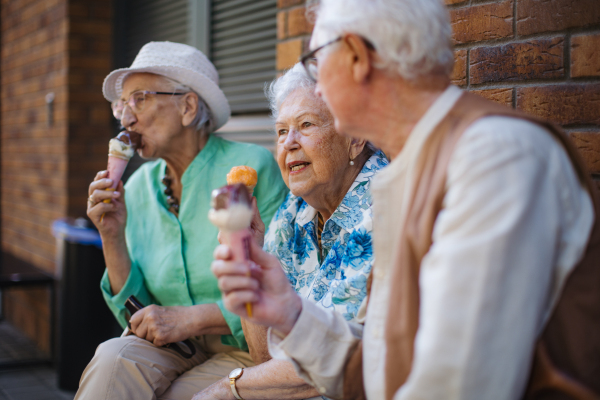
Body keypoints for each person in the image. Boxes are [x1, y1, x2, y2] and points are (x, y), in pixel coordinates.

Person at [211, 0, 600, 399]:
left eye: (315, 63)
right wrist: (291, 314)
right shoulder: (410, 169)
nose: (316, 86)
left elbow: (453, 387)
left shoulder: (495, 156)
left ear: (357, 57)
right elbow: (382, 369)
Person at [78, 41, 288, 400]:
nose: (125, 118)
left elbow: (283, 284)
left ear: (188, 107)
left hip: (243, 348)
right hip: (170, 348)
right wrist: (111, 236)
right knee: (111, 358)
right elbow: (137, 315)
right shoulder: (139, 186)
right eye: (122, 104)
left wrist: (192, 318)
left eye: (139, 99)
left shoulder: (247, 170)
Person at [193, 63, 387, 400]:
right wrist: (249, 252)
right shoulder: (293, 211)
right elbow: (265, 357)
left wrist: (230, 387)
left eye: (306, 125)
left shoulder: (385, 206)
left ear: (355, 137)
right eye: (282, 131)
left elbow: (337, 364)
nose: (289, 143)